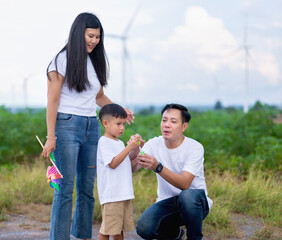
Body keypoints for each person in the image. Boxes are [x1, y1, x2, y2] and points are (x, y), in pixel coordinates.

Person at [41, 13, 134, 240]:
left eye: (97, 37)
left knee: (87, 189)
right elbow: (52, 101)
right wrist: (51, 136)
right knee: (64, 189)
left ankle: (82, 236)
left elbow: (99, 97)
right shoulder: (60, 61)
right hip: (67, 126)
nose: (94, 41)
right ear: (78, 33)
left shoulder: (94, 61)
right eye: (90, 36)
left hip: (91, 126)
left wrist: (119, 110)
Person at [135, 103, 213, 240]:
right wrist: (133, 149)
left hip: (195, 203)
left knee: (187, 196)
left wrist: (158, 167)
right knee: (143, 228)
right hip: (168, 203)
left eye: (173, 121)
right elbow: (133, 167)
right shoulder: (154, 144)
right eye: (164, 120)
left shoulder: (195, 147)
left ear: (184, 126)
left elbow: (185, 184)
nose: (166, 124)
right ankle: (176, 234)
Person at [97, 103, 144, 240]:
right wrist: (129, 147)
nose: (122, 127)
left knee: (119, 230)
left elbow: (126, 162)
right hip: (112, 194)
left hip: (123, 193)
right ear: (105, 123)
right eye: (118, 124)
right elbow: (112, 163)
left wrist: (135, 149)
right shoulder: (104, 141)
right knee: (107, 229)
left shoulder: (119, 143)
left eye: (124, 124)